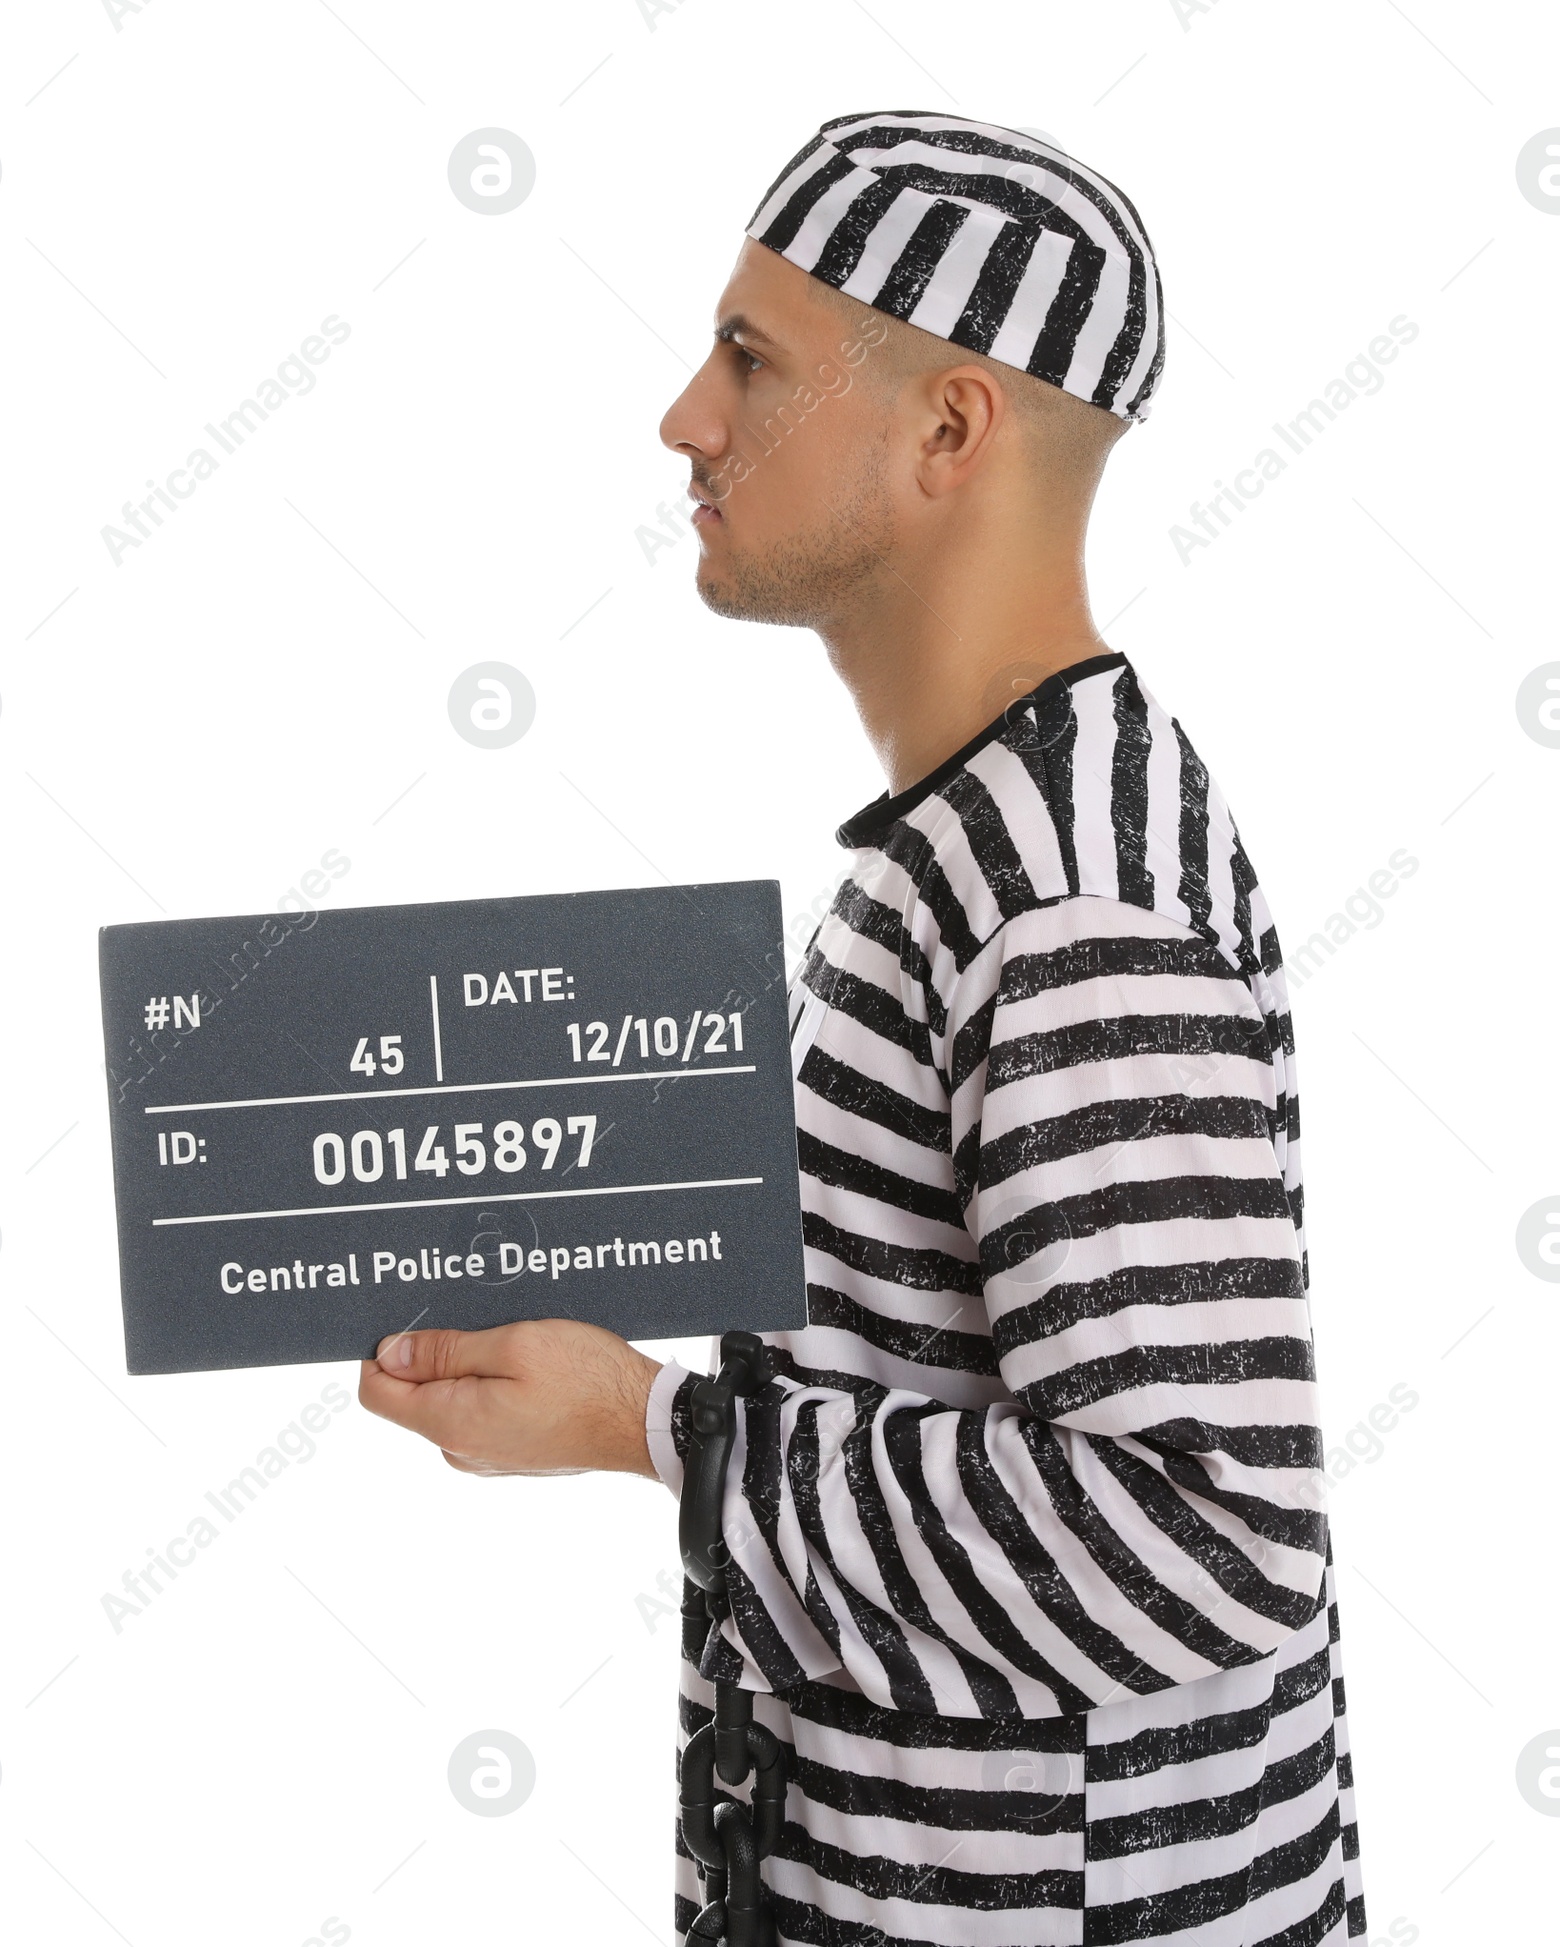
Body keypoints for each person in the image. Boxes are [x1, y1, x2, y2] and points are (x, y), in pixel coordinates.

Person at [360, 110, 1368, 1946]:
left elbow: (1210, 1544)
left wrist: (655, 1427)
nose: (686, 417)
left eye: (750, 358)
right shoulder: (979, 839)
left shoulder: (1074, 901)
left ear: (950, 427)